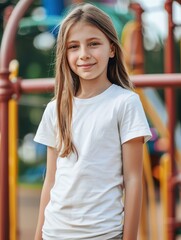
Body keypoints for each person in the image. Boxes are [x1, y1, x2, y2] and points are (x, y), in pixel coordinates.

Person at [34, 3, 152, 240]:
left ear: (111, 48)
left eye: (93, 43)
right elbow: (51, 180)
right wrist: (38, 236)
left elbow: (133, 179)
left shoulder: (125, 103)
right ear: (65, 55)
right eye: (73, 47)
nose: (84, 54)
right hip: (54, 233)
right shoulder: (54, 109)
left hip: (104, 233)